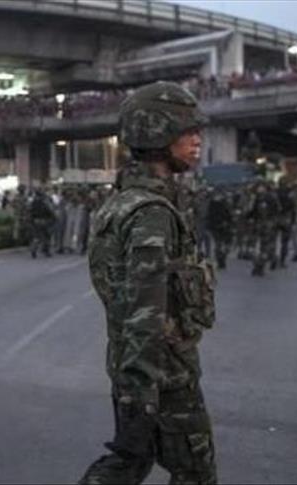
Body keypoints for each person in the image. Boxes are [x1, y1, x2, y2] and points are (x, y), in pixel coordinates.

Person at [80, 81, 216, 485]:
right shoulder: (151, 212)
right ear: (158, 133)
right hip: (162, 377)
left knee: (130, 464)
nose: (197, 140)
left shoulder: (126, 201)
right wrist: (142, 395)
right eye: (188, 131)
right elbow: (145, 311)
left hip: (142, 371)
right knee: (194, 475)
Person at [207, 186, 234, 269]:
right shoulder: (212, 203)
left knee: (225, 245)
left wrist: (229, 223)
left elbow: (230, 215)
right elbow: (210, 215)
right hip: (217, 227)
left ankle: (222, 258)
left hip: (225, 227)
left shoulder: (226, 202)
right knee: (219, 245)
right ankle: (220, 260)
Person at [28, 188, 56, 258]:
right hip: (44, 221)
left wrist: (31, 220)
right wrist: (54, 217)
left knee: (36, 236)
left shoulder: (33, 202)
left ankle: (34, 249)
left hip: (35, 221)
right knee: (47, 236)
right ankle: (46, 251)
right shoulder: (44, 202)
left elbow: (30, 211)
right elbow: (50, 210)